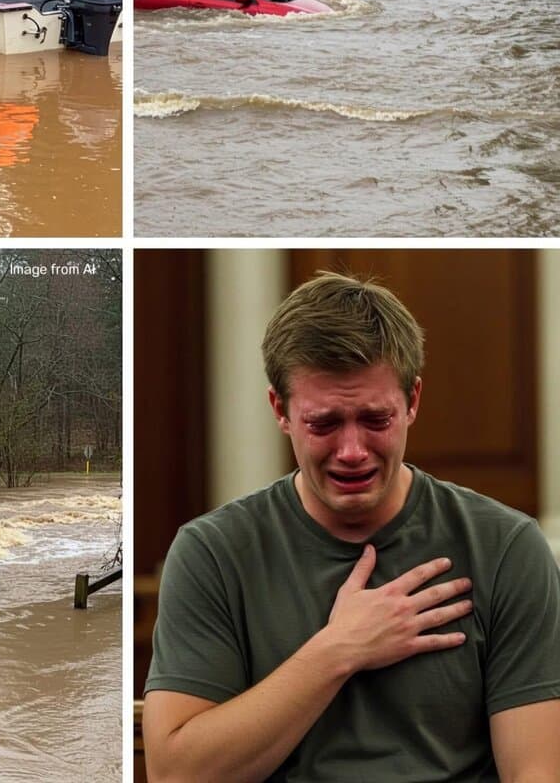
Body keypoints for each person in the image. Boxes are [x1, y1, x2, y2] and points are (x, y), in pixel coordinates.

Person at [143, 271, 560, 782]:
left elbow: (535, 772)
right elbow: (176, 774)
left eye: (375, 419)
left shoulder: (507, 546)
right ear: (281, 410)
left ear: (413, 402)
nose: (352, 452)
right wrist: (339, 649)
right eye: (324, 423)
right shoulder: (211, 552)